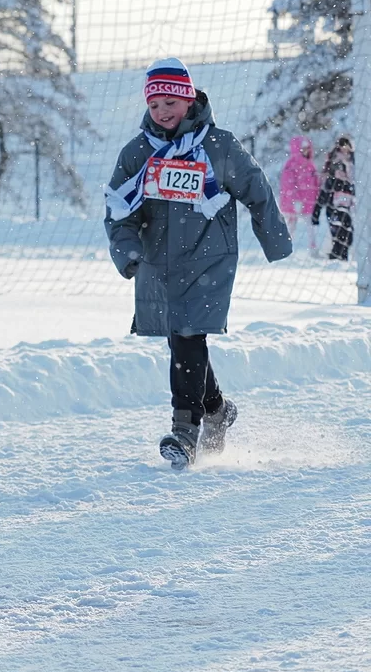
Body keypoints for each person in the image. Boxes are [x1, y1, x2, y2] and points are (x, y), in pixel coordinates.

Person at [105, 58, 291, 470]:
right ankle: (218, 409)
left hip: (210, 259)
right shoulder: (138, 153)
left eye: (170, 102)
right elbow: (118, 209)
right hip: (158, 262)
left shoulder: (219, 146)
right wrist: (128, 251)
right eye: (154, 105)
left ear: (189, 100)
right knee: (181, 340)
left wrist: (274, 239)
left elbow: (256, 189)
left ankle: (185, 433)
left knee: (189, 336)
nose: (162, 112)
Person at [313, 139, 355, 261]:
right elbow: (325, 192)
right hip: (334, 204)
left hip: (348, 204)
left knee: (347, 233)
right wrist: (316, 212)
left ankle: (340, 256)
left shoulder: (353, 164)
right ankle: (336, 256)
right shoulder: (333, 171)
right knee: (338, 232)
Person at [279, 136, 320, 255]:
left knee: (310, 225)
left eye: (307, 148)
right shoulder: (291, 164)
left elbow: (315, 182)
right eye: (303, 149)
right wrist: (295, 199)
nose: (306, 151)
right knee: (291, 224)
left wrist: (317, 196)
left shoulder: (310, 164)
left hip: (309, 201)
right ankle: (285, 248)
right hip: (296, 201)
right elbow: (288, 184)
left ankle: (313, 248)